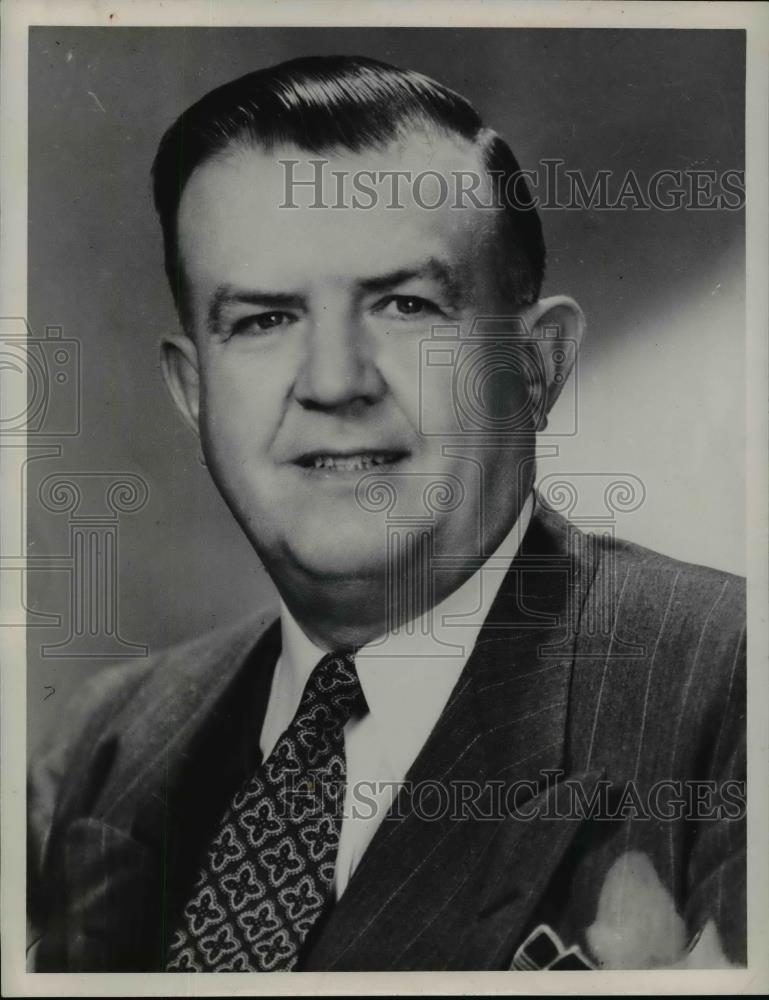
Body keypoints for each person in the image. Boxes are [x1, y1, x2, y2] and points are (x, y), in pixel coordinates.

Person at [26, 55, 746, 973]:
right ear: (193, 392)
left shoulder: (731, 691)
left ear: (536, 367)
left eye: (406, 306)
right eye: (263, 320)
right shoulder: (98, 749)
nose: (334, 383)